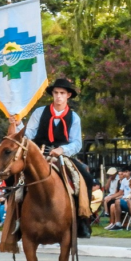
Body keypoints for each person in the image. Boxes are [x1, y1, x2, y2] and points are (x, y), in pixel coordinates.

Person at [21, 77, 95, 238]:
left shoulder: (74, 117)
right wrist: (18, 125)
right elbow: (28, 135)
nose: (59, 96)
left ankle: (83, 220)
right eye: (56, 93)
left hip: (62, 155)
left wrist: (62, 149)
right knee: (18, 178)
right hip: (38, 154)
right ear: (52, 94)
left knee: (86, 178)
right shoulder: (39, 112)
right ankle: (17, 219)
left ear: (68, 95)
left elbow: (76, 142)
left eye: (62, 93)